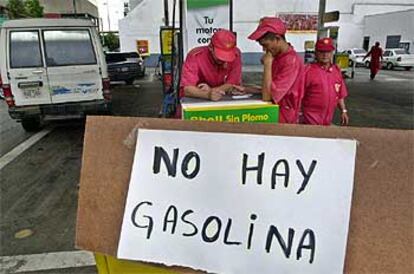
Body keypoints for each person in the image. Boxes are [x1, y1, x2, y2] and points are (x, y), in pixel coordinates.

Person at [244, 17, 305, 124]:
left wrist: (267, 65)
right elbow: (272, 87)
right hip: (275, 113)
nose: (264, 50)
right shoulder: (277, 56)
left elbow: (267, 96)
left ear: (277, 39)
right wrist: (249, 89)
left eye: (265, 45)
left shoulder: (291, 61)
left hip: (283, 117)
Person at [180, 29, 242, 101]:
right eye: (220, 56)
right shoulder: (195, 56)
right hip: (198, 100)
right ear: (210, 47)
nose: (224, 60)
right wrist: (207, 94)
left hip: (225, 99)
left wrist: (212, 90)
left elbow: (233, 84)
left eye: (228, 56)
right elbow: (187, 89)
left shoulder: (236, 54)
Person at [302, 37, 349, 126]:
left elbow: (340, 94)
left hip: (327, 122)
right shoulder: (307, 71)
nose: (325, 55)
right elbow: (298, 96)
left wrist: (343, 111)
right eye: (322, 52)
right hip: (309, 122)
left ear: (332, 53)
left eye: (328, 52)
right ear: (316, 53)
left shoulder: (336, 71)